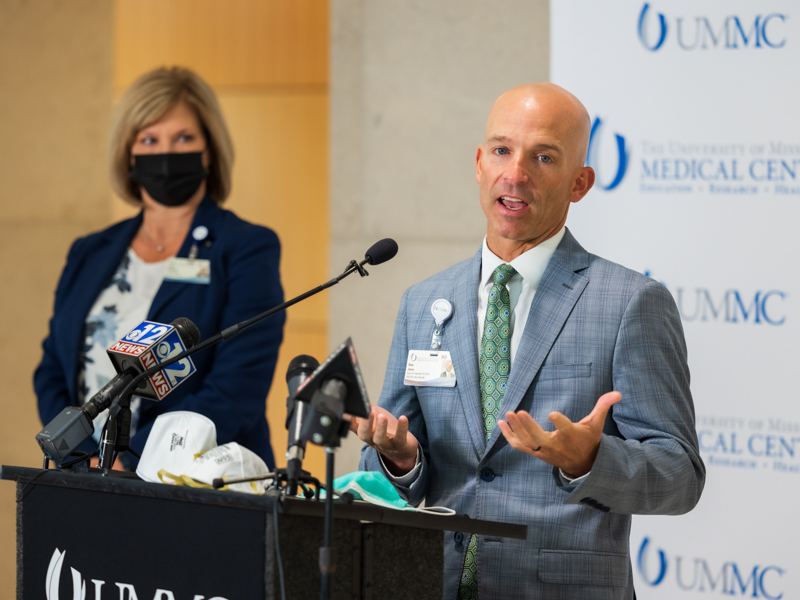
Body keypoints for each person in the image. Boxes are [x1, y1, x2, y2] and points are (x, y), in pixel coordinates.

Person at [352, 83, 705, 599]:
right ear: (478, 163)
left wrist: (589, 460)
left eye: (543, 157)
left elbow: (680, 476)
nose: (515, 174)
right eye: (501, 150)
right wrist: (400, 459)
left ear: (579, 183)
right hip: (439, 584)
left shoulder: (631, 302)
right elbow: (388, 469)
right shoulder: (424, 301)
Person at [34, 67, 284, 470]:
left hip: (194, 484)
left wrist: (129, 462)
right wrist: (83, 459)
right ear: (128, 154)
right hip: (84, 481)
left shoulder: (246, 248)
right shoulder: (90, 252)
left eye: (183, 138)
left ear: (209, 151)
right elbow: (52, 369)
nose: (166, 153)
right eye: (149, 139)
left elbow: (237, 389)